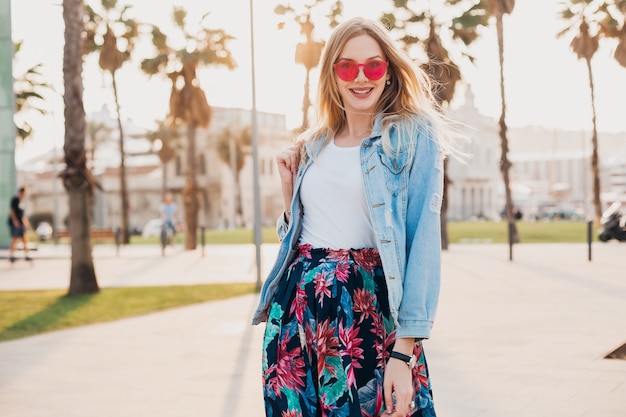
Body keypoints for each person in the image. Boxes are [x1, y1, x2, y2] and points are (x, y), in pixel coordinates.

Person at [252, 17, 461, 417]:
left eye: (373, 65)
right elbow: (298, 235)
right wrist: (287, 194)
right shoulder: (313, 144)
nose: (360, 77)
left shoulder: (412, 137)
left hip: (363, 317)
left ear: (388, 71)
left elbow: (423, 246)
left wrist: (405, 352)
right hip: (295, 318)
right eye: (347, 66)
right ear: (332, 74)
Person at [7, 186, 32, 262]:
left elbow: (22, 215)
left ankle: (27, 255)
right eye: (24, 193)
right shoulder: (15, 200)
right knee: (15, 238)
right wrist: (15, 221)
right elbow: (12, 211)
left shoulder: (22, 202)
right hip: (14, 223)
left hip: (20, 223)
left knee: (24, 238)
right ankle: (12, 255)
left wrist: (26, 223)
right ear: (21, 192)